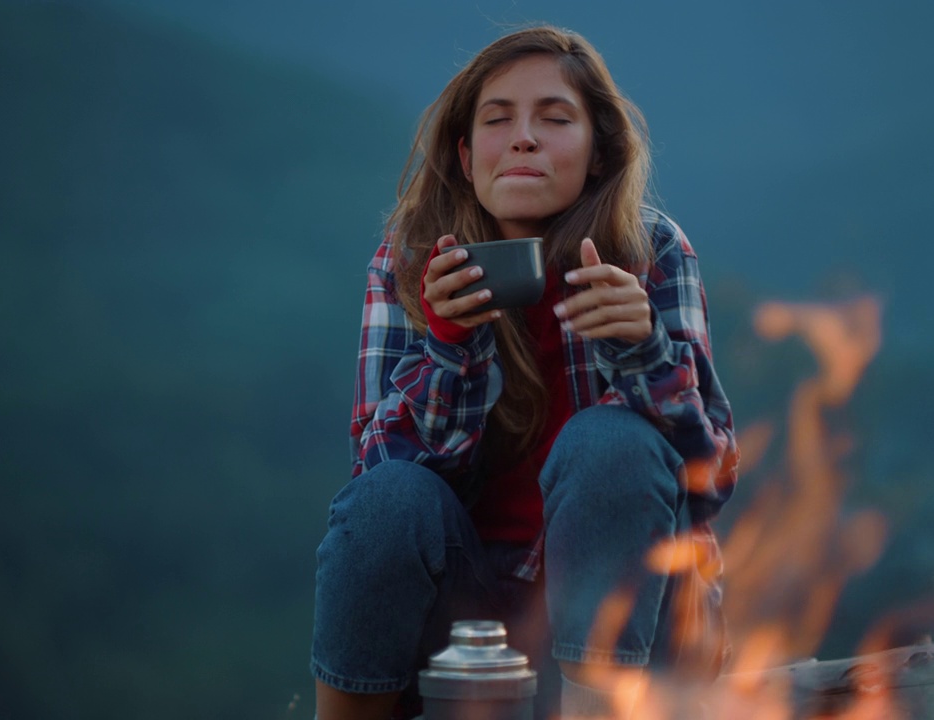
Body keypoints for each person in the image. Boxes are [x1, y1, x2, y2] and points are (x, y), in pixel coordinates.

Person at [311, 25, 738, 720]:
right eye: (497, 119)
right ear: (466, 153)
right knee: (388, 500)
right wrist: (451, 346)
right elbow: (380, 480)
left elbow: (710, 477)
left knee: (609, 441)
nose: (524, 138)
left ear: (598, 153)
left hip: (631, 631)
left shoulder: (650, 250)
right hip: (466, 635)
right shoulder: (412, 260)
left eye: (555, 118)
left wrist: (644, 349)